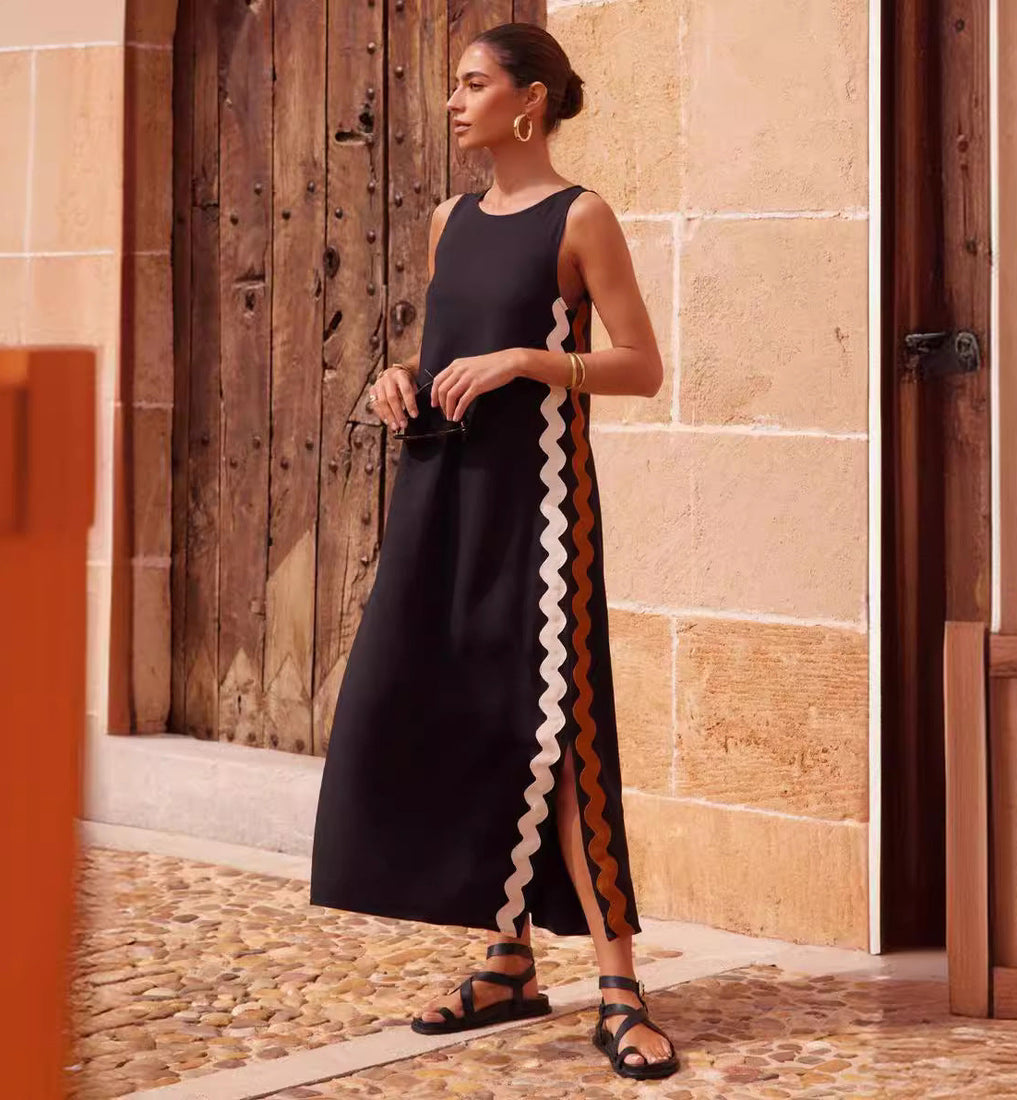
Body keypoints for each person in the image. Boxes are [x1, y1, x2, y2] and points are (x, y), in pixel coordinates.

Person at [309, 21, 679, 1081]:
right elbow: (441, 359)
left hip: (541, 507)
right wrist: (397, 382)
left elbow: (640, 365)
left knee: (562, 730)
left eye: (471, 84)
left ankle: (618, 984)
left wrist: (530, 357)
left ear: (528, 101)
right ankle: (509, 960)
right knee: (452, 706)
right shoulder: (449, 220)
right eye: (453, 85)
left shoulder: (581, 217)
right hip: (441, 493)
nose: (452, 101)